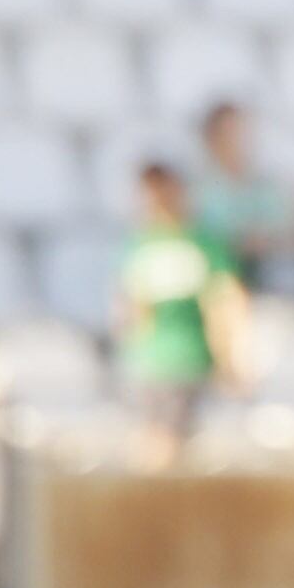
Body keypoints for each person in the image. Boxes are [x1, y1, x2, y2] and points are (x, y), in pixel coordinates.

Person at [114, 162, 249, 465]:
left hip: (190, 359)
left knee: (172, 447)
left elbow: (226, 302)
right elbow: (130, 308)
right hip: (150, 363)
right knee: (155, 445)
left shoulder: (203, 243)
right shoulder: (138, 244)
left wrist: (231, 357)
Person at [192, 102, 294, 293]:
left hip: (276, 271)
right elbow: (207, 240)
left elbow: (292, 231)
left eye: (241, 132)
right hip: (225, 278)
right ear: (212, 139)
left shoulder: (268, 182)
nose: (239, 140)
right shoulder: (200, 190)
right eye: (229, 133)